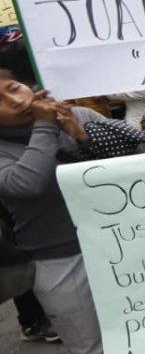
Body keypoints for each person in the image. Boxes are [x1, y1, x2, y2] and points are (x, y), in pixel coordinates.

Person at [0, 77, 103, 353]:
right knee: (88, 344)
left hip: (114, 241)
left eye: (14, 89)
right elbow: (26, 184)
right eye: (0, 102)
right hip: (59, 260)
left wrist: (82, 137)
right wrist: (45, 125)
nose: (18, 101)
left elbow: (132, 159)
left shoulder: (79, 114)